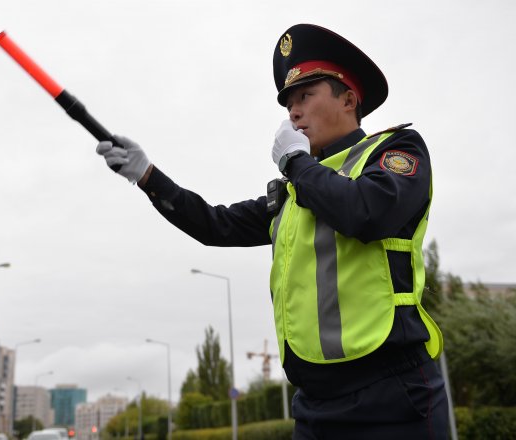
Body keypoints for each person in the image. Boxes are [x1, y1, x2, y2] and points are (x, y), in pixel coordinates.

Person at [96, 23, 447, 439]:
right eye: (288, 104)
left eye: (305, 96)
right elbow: (214, 224)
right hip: (314, 403)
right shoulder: (292, 194)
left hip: (390, 393)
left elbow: (366, 213)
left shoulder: (395, 150)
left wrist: (297, 163)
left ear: (349, 99)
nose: (293, 112)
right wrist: (147, 175)